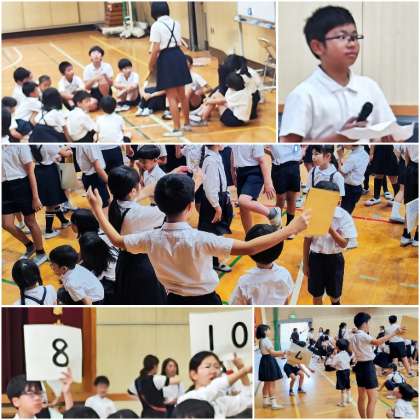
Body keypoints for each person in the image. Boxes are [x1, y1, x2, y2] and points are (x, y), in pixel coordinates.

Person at [87, 173, 311, 305]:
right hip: (205, 300)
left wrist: (97, 209)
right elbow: (250, 248)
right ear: (190, 206)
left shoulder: (150, 238)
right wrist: (290, 229)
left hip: (171, 300)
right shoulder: (201, 239)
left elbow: (117, 240)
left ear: (160, 207)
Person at [280, 5, 396, 142]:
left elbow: (392, 132)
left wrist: (389, 140)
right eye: (342, 37)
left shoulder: (369, 86)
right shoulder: (303, 95)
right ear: (317, 46)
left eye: (354, 37)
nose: (352, 44)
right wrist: (340, 138)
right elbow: (288, 146)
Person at [303, 180, 357, 305]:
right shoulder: (312, 215)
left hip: (335, 260)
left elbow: (344, 243)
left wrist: (329, 228)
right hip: (316, 259)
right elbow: (307, 240)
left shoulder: (344, 217)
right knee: (316, 294)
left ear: (338, 201)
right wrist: (305, 264)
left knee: (335, 295)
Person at [148, 1, 192, 136]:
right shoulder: (176, 23)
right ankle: (187, 124)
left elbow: (155, 48)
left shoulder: (156, 25)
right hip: (179, 55)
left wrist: (150, 64)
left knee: (171, 96)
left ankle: (176, 129)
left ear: (153, 12)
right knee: (182, 95)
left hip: (166, 58)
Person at [349, 312, 404, 418]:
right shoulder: (362, 335)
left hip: (359, 366)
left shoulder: (353, 336)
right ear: (364, 323)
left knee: (361, 397)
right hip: (367, 367)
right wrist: (394, 333)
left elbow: (351, 349)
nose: (368, 325)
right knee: (373, 398)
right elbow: (377, 342)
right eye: (368, 323)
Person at [2, 145, 48, 265]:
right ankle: (30, 245)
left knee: (30, 221)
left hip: (22, 184)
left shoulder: (19, 146)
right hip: (4, 187)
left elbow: (30, 172)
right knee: (6, 224)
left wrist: (35, 197)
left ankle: (41, 252)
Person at [229, 224, 293, 305]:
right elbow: (286, 300)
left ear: (250, 251)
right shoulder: (285, 274)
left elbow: (236, 306)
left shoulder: (244, 282)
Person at [177, 351, 252, 418]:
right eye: (207, 366)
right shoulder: (187, 398)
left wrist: (240, 367)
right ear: (194, 375)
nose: (214, 371)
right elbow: (215, 387)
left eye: (217, 367)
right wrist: (243, 371)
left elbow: (246, 399)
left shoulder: (220, 401)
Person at [256, 324, 285, 410]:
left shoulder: (261, 340)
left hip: (265, 360)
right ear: (265, 331)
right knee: (272, 384)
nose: (270, 331)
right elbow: (273, 353)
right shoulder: (266, 340)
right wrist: (283, 352)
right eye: (269, 329)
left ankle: (265, 402)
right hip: (269, 361)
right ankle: (274, 404)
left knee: (266, 383)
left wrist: (280, 353)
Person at [327, 338, 352, 407]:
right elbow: (348, 360)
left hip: (341, 372)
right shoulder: (347, 353)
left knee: (342, 388)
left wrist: (332, 357)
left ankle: (343, 403)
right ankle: (349, 399)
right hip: (347, 371)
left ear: (337, 347)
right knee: (348, 385)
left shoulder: (337, 356)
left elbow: (332, 364)